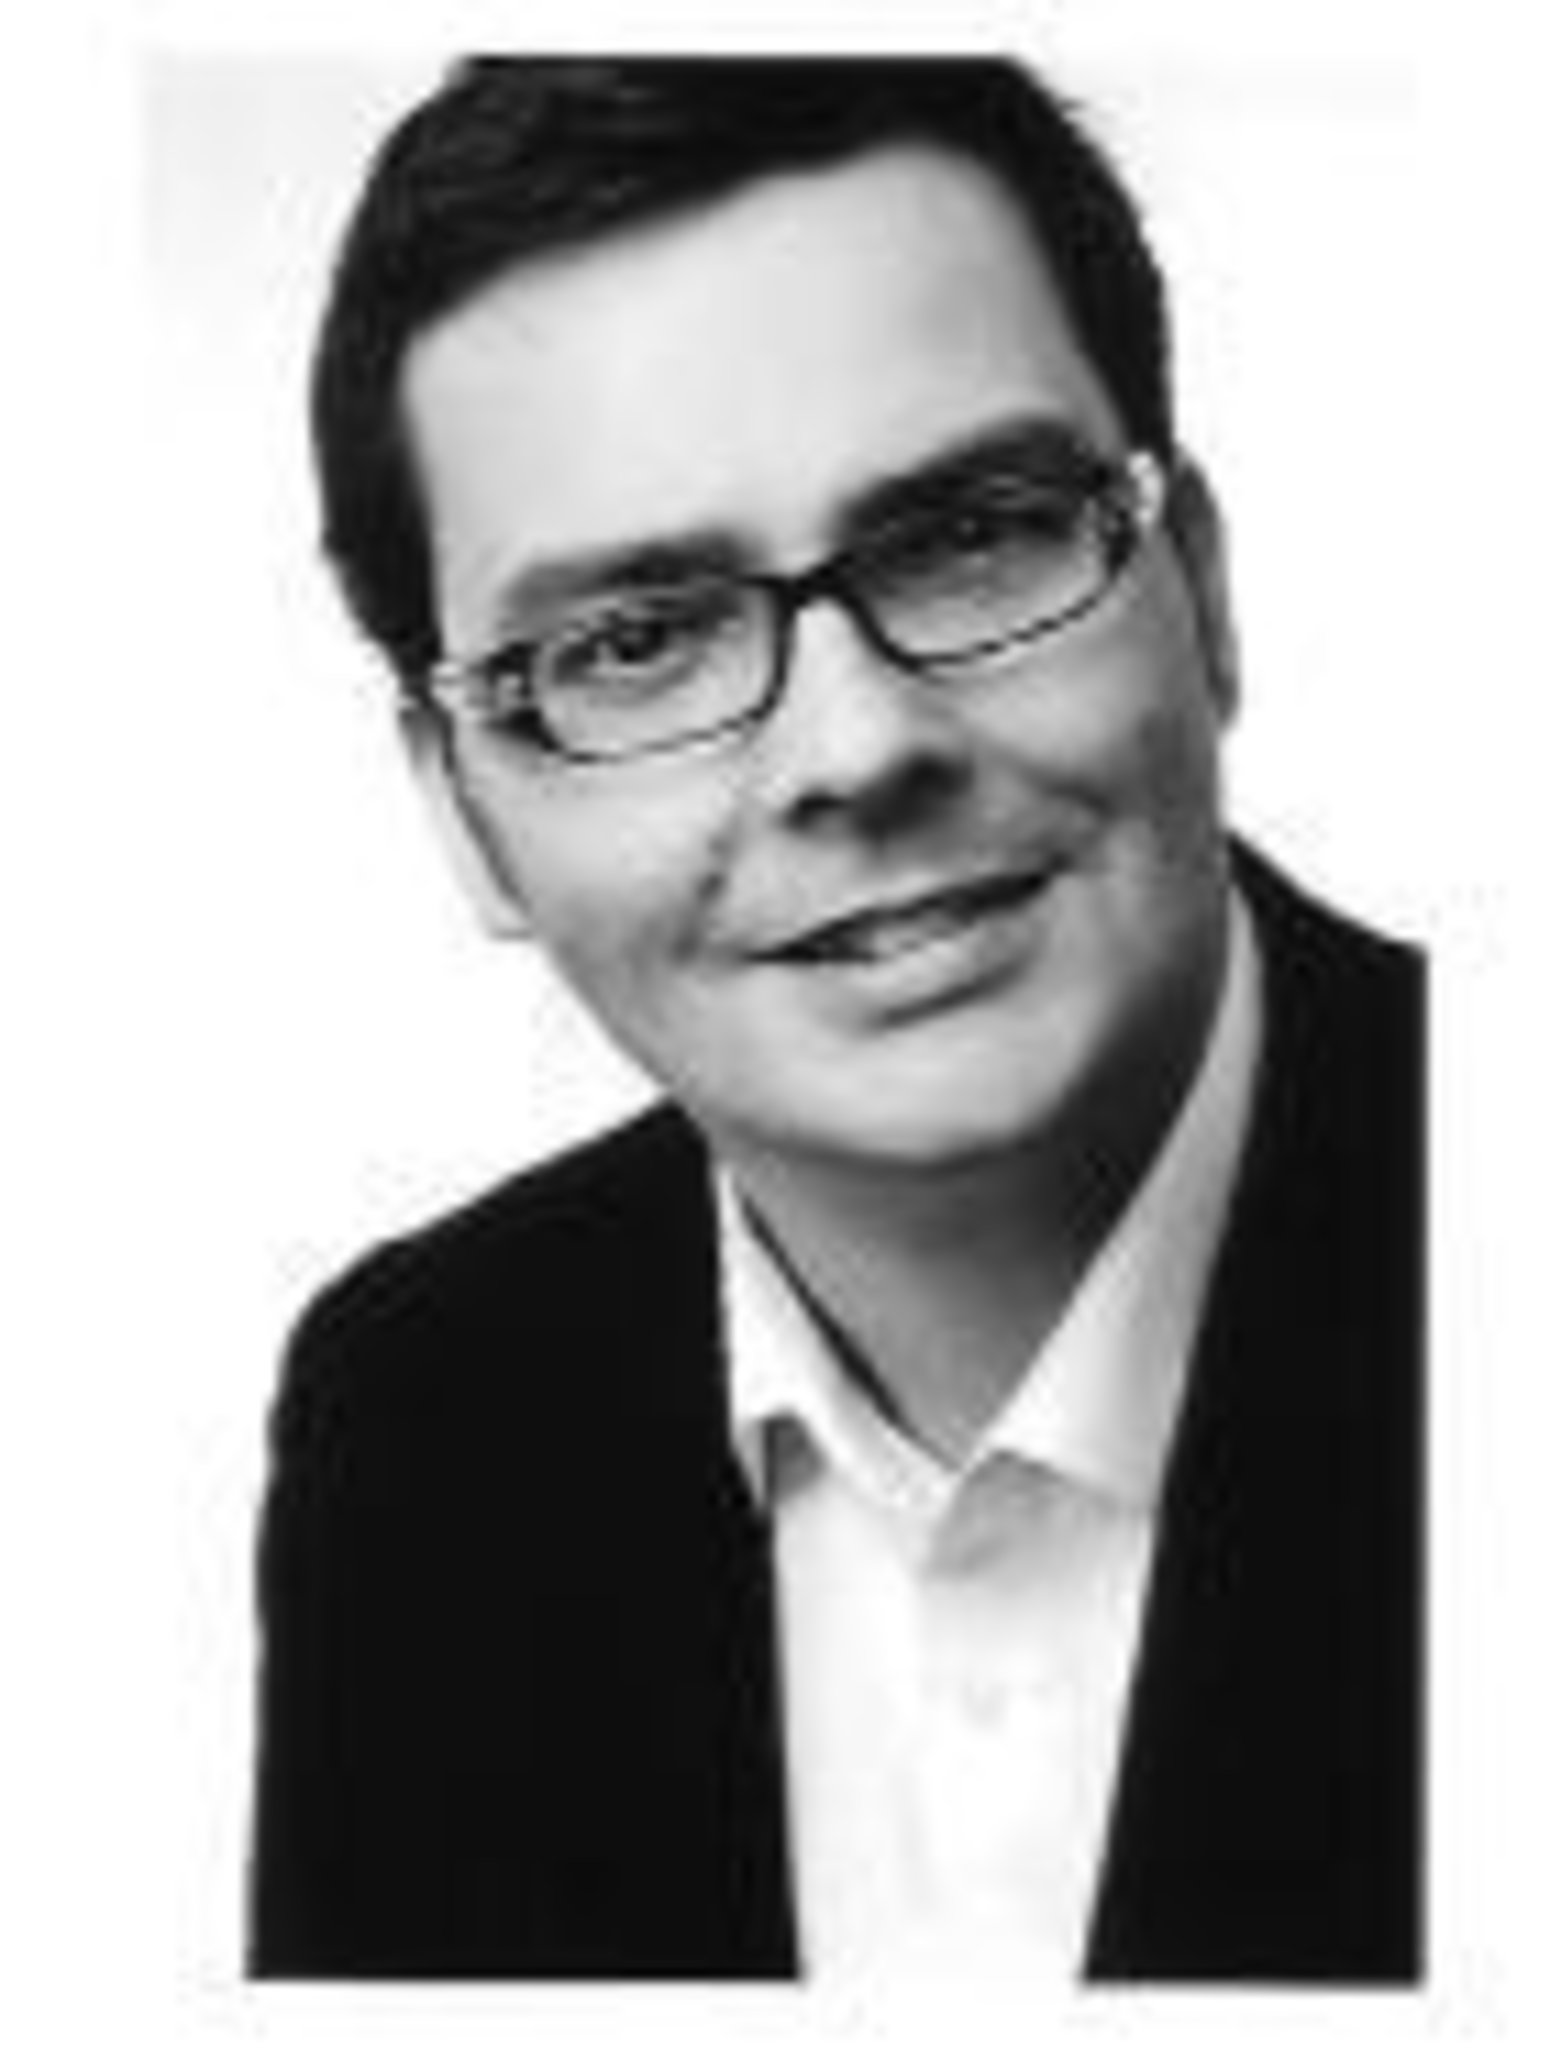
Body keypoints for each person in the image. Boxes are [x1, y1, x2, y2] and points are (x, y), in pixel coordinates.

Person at [248, 57, 1423, 1982]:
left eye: (970, 532)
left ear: (1199, 593)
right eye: (632, 640)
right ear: (460, 805)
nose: (857, 748)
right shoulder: (422, 1415)